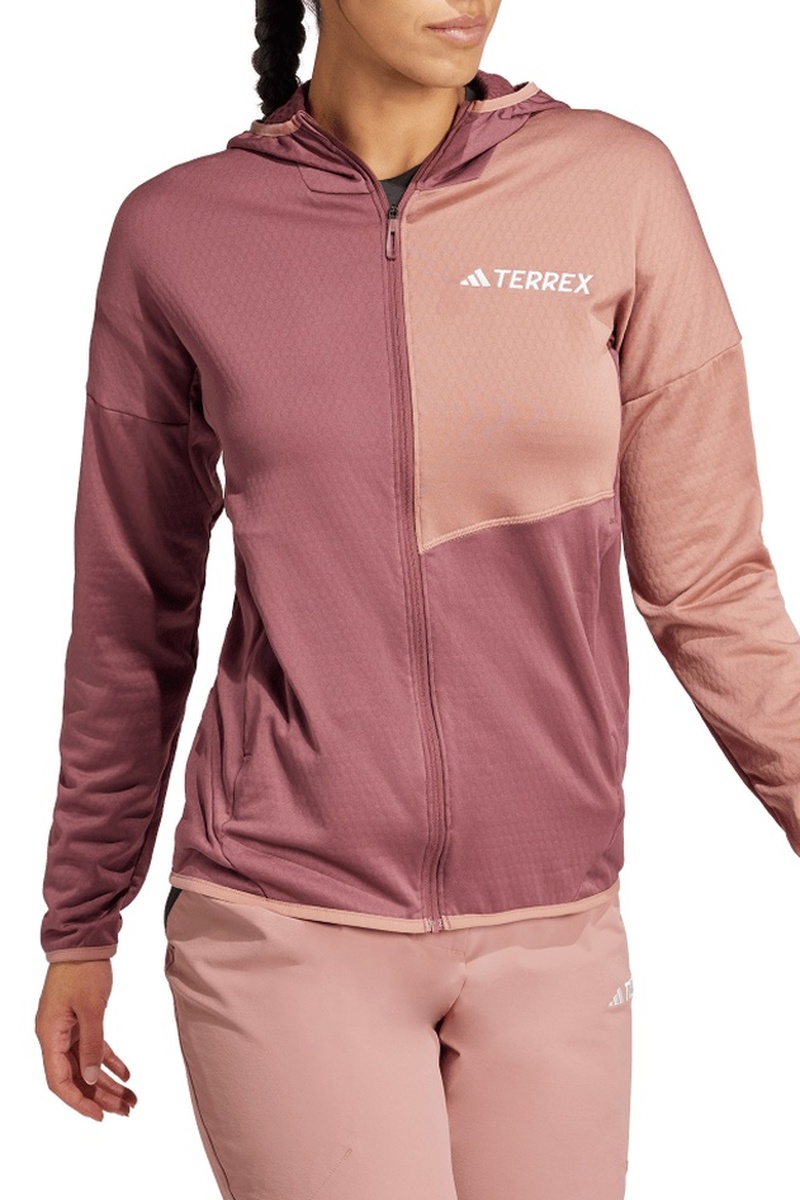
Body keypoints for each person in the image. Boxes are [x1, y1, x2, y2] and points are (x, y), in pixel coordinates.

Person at [34, 1, 800, 1198]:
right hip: (283, 916)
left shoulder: (615, 185)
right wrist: (83, 919)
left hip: (555, 921)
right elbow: (133, 607)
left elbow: (709, 581)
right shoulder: (178, 231)